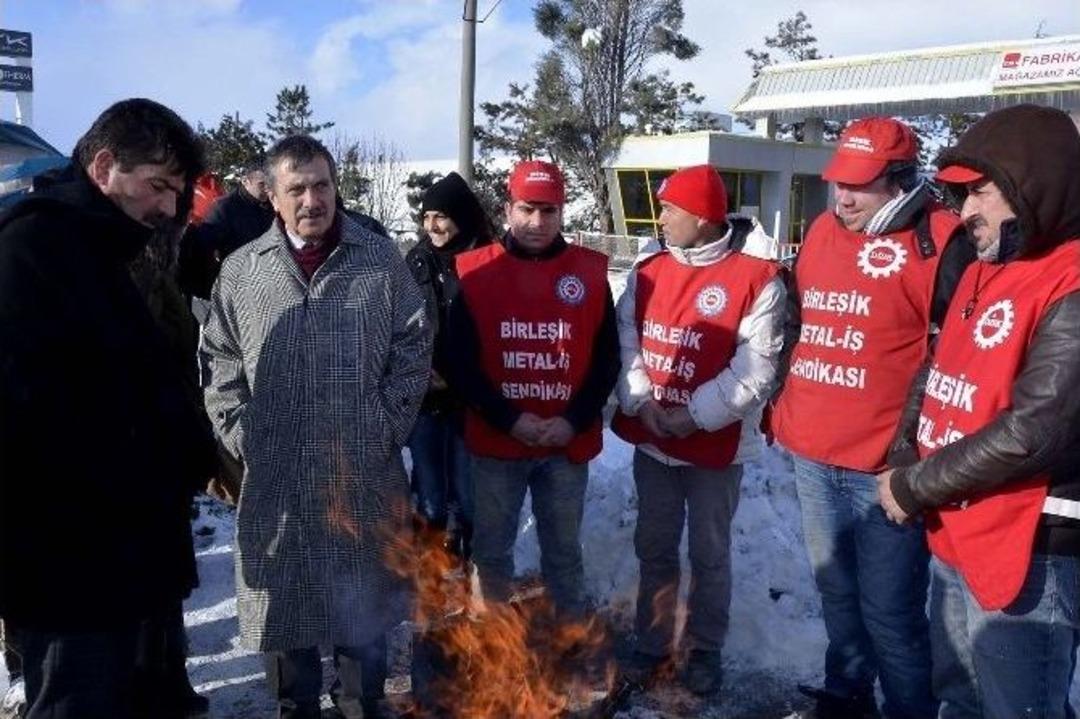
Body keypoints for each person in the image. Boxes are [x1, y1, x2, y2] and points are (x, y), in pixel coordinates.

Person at [200, 134, 431, 719]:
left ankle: (360, 704)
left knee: (364, 609)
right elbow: (219, 363)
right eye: (296, 188)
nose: (312, 199)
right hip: (278, 479)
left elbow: (414, 348)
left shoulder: (379, 263)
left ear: (337, 189)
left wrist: (382, 428)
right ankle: (295, 707)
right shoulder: (243, 272)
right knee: (288, 606)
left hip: (362, 473)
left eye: (322, 185)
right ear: (272, 197)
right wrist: (244, 434)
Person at [0, 98, 217, 719]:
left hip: (130, 552)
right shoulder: (31, 250)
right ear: (103, 166)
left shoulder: (100, 251)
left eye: (177, 193)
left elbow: (140, 378)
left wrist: (196, 453)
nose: (170, 208)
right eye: (158, 186)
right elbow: (36, 420)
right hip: (71, 568)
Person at [878, 104, 1080, 719]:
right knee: (959, 699)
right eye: (960, 194)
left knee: (1018, 709)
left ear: (1032, 187)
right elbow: (936, 371)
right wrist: (903, 454)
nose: (964, 213)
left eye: (981, 193)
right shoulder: (983, 267)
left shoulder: (1070, 282)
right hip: (957, 528)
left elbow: (1036, 430)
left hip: (1030, 551)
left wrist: (914, 484)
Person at [769, 117, 973, 718]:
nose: (843, 198)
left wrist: (911, 458)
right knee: (837, 593)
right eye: (838, 183)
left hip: (884, 469)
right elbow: (800, 323)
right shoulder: (823, 232)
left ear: (902, 180)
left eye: (859, 186)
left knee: (890, 612)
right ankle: (845, 696)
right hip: (813, 451)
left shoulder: (944, 241)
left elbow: (953, 361)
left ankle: (907, 710)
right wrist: (781, 402)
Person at [612, 165, 784, 696]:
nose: (660, 218)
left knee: (710, 554)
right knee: (654, 546)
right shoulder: (647, 271)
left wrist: (690, 416)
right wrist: (643, 404)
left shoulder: (758, 278)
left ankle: (705, 647)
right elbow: (627, 342)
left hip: (715, 448)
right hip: (653, 438)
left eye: (671, 209)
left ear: (704, 217)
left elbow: (756, 370)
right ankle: (652, 642)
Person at [447, 160, 619, 621]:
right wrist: (510, 419)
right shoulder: (475, 272)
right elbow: (458, 362)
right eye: (527, 209)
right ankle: (492, 646)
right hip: (497, 443)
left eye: (549, 211)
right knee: (493, 553)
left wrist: (572, 420)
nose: (537, 222)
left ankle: (570, 644)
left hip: (565, 444)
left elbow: (607, 362)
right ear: (508, 209)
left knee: (563, 553)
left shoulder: (588, 272)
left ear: (562, 212)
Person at [405, 172, 493, 562]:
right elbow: (398, 326)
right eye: (426, 218)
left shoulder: (489, 259)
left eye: (440, 216)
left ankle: (470, 567)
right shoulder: (416, 260)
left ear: (460, 215)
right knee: (430, 498)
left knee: (467, 494)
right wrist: (417, 367)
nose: (432, 226)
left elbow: (499, 332)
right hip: (426, 398)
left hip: (470, 399)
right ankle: (431, 576)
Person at [178, 162, 274, 301]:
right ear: (246, 181)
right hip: (238, 285)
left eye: (270, 184)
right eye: (261, 184)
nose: (267, 189)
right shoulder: (225, 207)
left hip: (268, 279)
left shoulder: (272, 206)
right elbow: (203, 248)